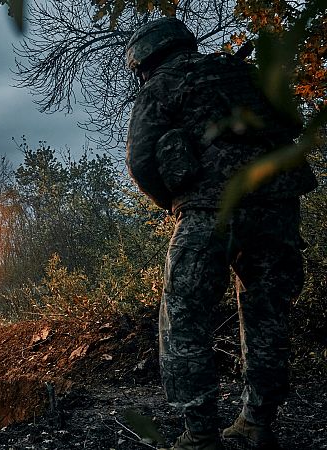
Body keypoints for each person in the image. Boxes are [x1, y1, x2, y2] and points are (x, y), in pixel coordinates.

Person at [124, 17, 317, 450]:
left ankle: (200, 435)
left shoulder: (161, 85)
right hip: (277, 207)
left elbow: (139, 159)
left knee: (184, 318)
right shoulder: (246, 72)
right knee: (268, 313)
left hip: (210, 211)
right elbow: (291, 120)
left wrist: (176, 200)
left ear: (144, 59)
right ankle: (257, 423)